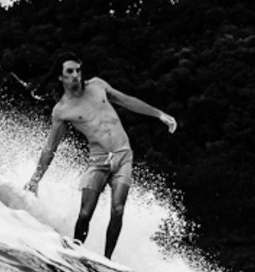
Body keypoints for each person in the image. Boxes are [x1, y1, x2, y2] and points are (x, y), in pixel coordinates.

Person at [23, 53, 177, 258]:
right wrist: (35, 180)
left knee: (118, 209)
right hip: (98, 161)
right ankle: (75, 253)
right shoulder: (61, 110)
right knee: (85, 213)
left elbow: (127, 100)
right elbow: (50, 147)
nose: (76, 75)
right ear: (60, 77)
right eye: (69, 71)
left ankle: (107, 261)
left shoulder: (97, 86)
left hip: (123, 155)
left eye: (78, 70)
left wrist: (159, 114)